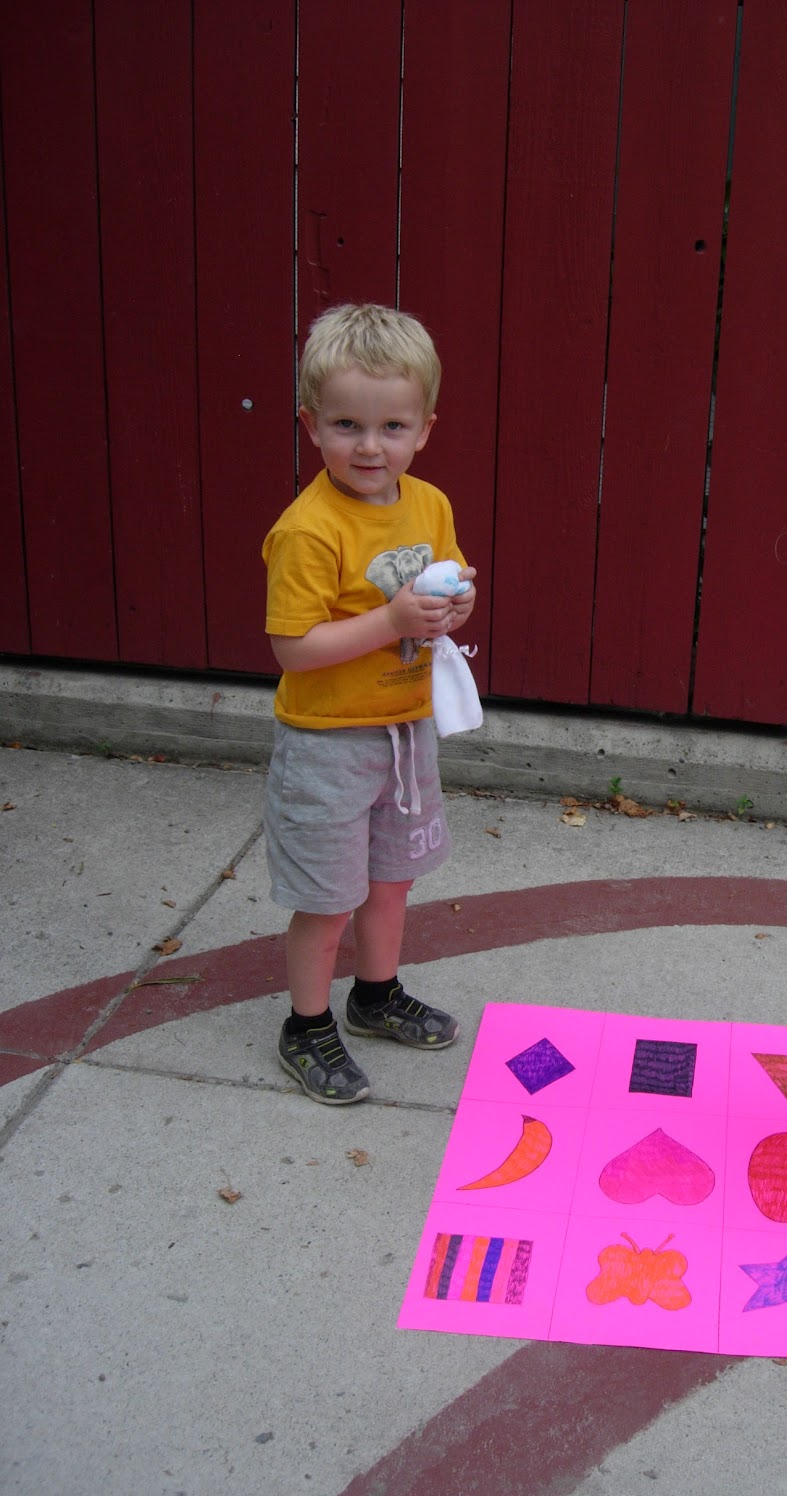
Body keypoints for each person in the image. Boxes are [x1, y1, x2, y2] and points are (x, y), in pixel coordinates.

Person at [261, 303, 477, 1105]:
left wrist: (450, 608)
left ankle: (375, 993)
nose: (368, 446)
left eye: (391, 426)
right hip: (326, 743)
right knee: (327, 898)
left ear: (423, 428)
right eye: (347, 424)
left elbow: (446, 579)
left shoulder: (429, 503)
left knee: (392, 882)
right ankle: (305, 1023)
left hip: (403, 729)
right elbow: (292, 649)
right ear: (311, 424)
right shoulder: (308, 530)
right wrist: (391, 620)